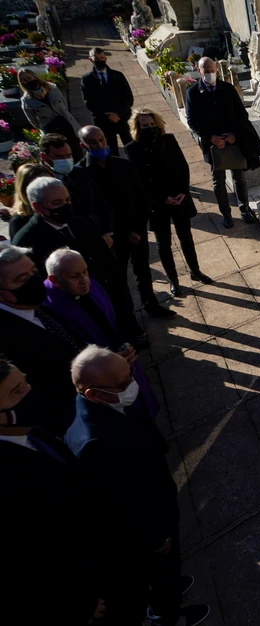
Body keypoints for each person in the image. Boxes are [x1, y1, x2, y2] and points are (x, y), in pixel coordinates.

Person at [65, 346, 210, 626]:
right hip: (150, 531)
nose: (131, 384)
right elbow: (122, 505)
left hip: (156, 507)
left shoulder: (101, 406)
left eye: (130, 374)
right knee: (159, 574)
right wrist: (155, 538)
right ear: (92, 393)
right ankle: (167, 616)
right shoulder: (95, 445)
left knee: (167, 570)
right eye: (123, 382)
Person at [0, 358, 107, 626]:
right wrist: (77, 605)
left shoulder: (27, 430)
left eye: (23, 380)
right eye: (16, 392)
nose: (29, 391)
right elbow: (24, 561)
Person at [45, 248, 160, 420]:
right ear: (55, 280)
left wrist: (127, 343)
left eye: (85, 272)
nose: (85, 281)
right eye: (75, 276)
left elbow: (118, 314)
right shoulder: (51, 309)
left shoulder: (94, 285)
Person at [77, 125, 175, 320]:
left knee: (143, 272)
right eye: (93, 142)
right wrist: (119, 234)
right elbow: (91, 212)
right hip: (111, 238)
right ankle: (126, 316)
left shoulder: (123, 165)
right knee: (117, 278)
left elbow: (142, 198)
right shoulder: (81, 174)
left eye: (102, 139)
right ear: (83, 145)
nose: (100, 144)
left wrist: (138, 229)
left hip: (136, 231)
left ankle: (152, 305)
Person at [126, 107, 210, 296]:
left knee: (186, 237)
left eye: (151, 124)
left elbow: (183, 166)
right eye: (144, 125)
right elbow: (140, 180)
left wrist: (183, 192)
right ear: (138, 128)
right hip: (157, 203)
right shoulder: (133, 149)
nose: (149, 127)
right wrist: (161, 198)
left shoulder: (169, 140)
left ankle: (195, 271)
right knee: (163, 243)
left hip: (178, 198)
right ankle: (173, 279)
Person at [0, 243, 82, 435]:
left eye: (33, 271)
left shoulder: (32, 304)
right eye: (21, 280)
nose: (33, 280)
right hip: (70, 425)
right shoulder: (4, 339)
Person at [185, 56, 260, 229]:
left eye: (213, 71)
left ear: (216, 70)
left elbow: (241, 114)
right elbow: (192, 121)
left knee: (239, 177)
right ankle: (226, 214)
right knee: (218, 181)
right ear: (199, 71)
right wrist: (211, 137)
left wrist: (234, 134)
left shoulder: (227, 89)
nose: (210, 74)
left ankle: (244, 208)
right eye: (206, 71)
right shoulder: (193, 93)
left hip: (233, 140)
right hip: (211, 143)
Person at [39, 133, 114, 240]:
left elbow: (101, 203)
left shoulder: (80, 172)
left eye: (69, 155)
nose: (65, 160)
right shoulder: (40, 182)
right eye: (59, 157)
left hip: (98, 235)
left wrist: (107, 232)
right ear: (44, 157)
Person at [18, 68, 83, 158]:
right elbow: (32, 120)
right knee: (58, 154)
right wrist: (43, 125)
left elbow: (64, 104)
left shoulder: (52, 88)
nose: (27, 81)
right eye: (24, 80)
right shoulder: (26, 100)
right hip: (50, 128)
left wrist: (64, 115)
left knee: (75, 150)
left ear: (35, 77)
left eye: (29, 78)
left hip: (66, 123)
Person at [80, 48, 134, 155]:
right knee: (111, 150)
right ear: (91, 59)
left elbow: (128, 98)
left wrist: (118, 114)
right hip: (103, 121)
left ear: (105, 58)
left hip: (122, 118)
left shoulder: (118, 75)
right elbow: (89, 103)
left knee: (132, 147)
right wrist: (107, 115)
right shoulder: (87, 79)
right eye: (97, 59)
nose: (100, 61)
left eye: (102, 58)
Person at [5, 163, 52, 239]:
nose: (48, 189)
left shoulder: (61, 207)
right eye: (39, 186)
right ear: (24, 189)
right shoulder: (19, 221)